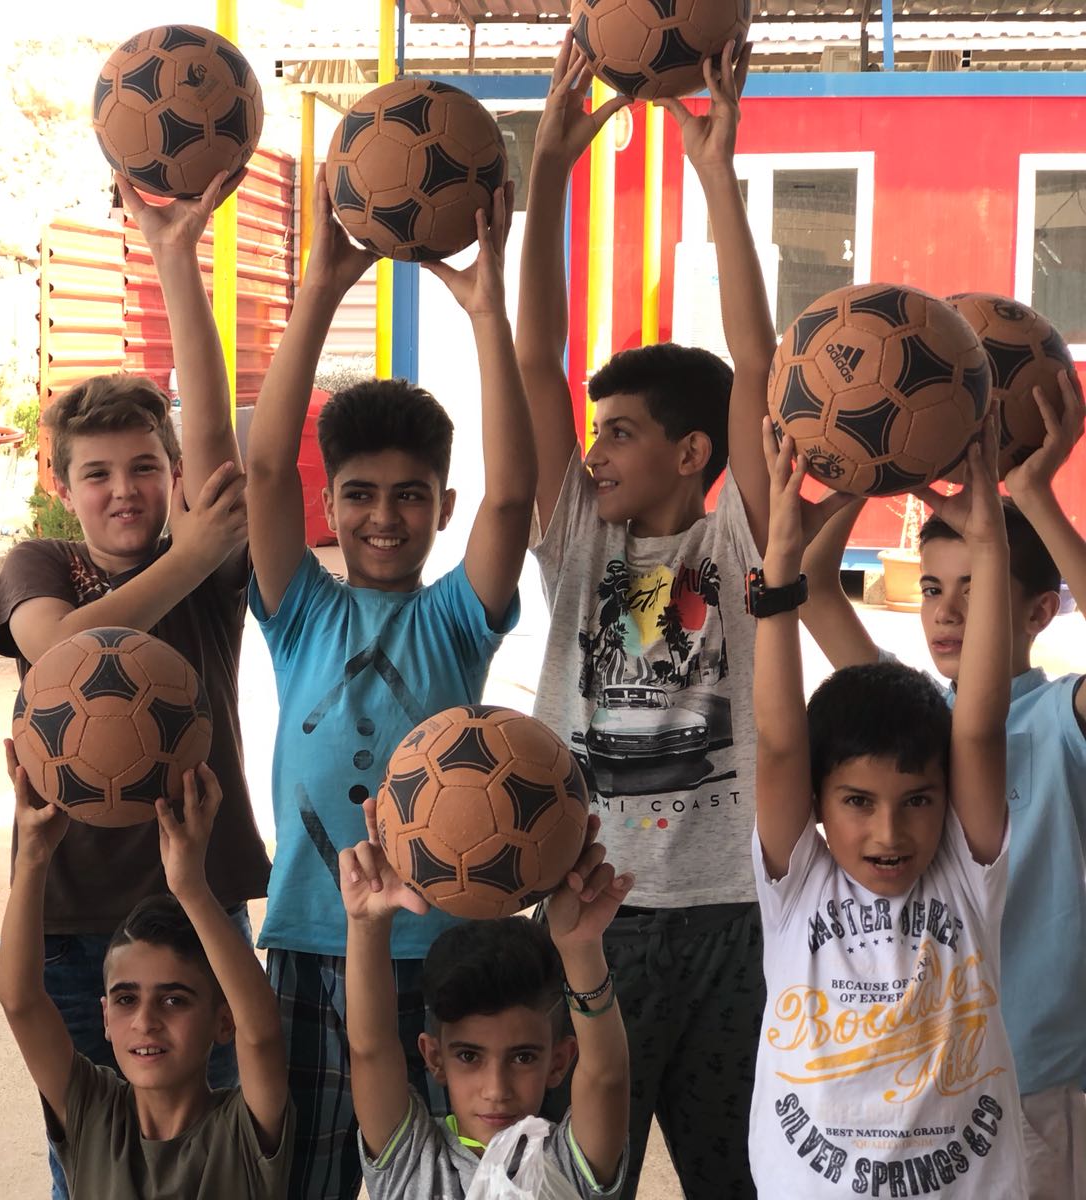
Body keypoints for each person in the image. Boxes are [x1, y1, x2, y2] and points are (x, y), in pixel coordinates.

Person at [517, 41, 832, 1197]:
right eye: (593, 433)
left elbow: (758, 360)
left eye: (620, 433)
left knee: (732, 1178)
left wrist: (717, 174)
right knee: (570, 1176)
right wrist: (547, 171)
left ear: (692, 451)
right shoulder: (578, 538)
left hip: (729, 918)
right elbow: (534, 355)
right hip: (590, 911)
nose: (594, 452)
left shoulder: (736, 542)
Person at [0, 170, 269, 1198]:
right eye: (96, 474)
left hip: (199, 901)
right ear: (61, 486)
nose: (124, 490)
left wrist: (176, 255)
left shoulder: (210, 566)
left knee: (220, 1159)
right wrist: (192, 555)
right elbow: (63, 653)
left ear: (172, 472)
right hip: (70, 916)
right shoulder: (41, 566)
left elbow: (213, 436)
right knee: (94, 1165)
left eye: (145, 466)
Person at [246, 161, 533, 1199]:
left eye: (410, 496)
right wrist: (321, 290)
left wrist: (486, 312)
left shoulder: (454, 618)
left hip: (446, 948)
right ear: (329, 507)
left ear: (442, 507)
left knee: (454, 1180)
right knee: (310, 1181)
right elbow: (264, 471)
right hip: (314, 945)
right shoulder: (299, 611)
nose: (383, 516)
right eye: (360, 494)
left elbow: (514, 499)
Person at [799, 371, 1086, 1198]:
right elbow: (813, 589)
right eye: (932, 588)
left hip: (1032, 1072)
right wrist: (870, 460)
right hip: (917, 1075)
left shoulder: (1060, 718)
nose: (946, 612)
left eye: (976, 585)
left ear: (1039, 612)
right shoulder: (913, 715)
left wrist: (1035, 496)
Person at [750, 414, 1024, 1196]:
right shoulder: (797, 881)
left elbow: (979, 726)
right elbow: (779, 742)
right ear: (815, 802)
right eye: (858, 801)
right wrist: (779, 565)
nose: (889, 831)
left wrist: (991, 546)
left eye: (917, 800)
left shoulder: (965, 875)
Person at [0, 753, 292, 1197]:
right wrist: (32, 858)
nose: (145, 1020)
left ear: (224, 1021)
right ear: (105, 1016)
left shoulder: (242, 1132)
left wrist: (191, 888)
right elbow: (19, 1001)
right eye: (126, 999)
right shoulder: (93, 1113)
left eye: (174, 999)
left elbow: (262, 1032)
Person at [340, 800, 632, 1199]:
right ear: (434, 1057)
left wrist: (580, 947)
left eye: (523, 1057)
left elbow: (607, 1076)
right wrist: (366, 923)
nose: (496, 1090)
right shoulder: (413, 1163)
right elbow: (370, 1049)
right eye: (469, 1056)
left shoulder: (566, 1166)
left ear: (559, 1061)